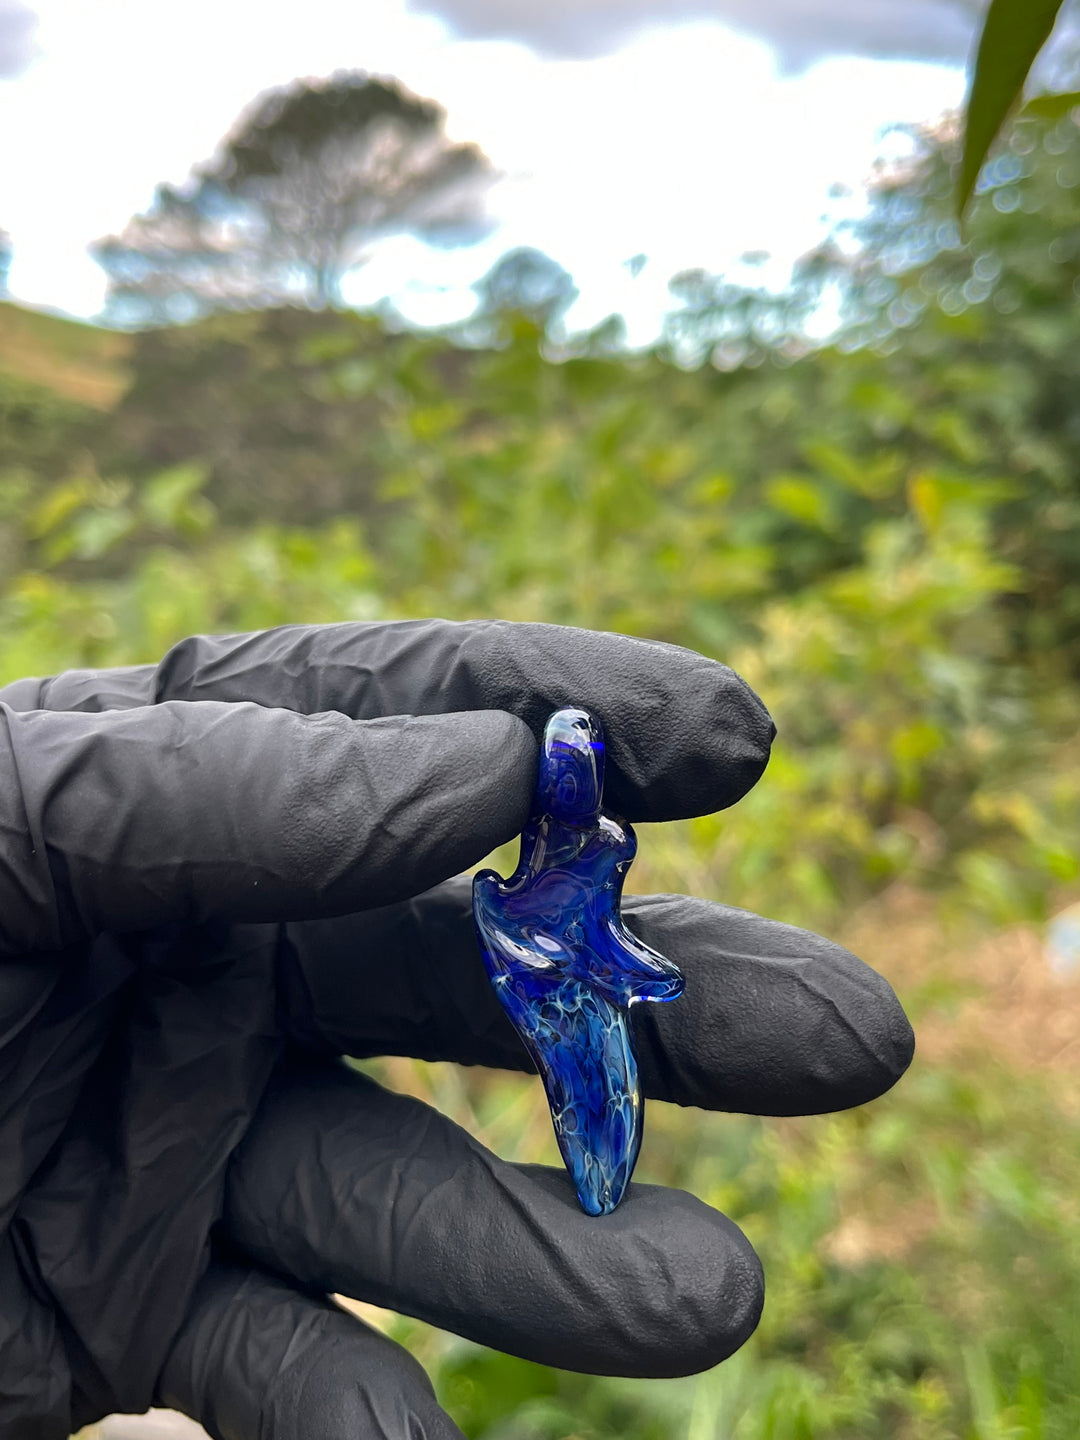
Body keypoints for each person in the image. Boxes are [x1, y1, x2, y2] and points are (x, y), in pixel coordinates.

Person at [0, 619, 914, 1440]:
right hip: (552, 968)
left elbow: (640, 964)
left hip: (576, 970)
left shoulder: (565, 886)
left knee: (634, 1111)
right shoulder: (519, 906)